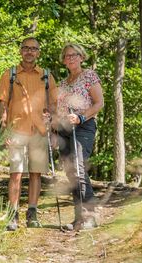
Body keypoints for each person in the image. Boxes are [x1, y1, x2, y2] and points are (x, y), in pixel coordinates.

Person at [0, 37, 56, 231]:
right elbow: (2, 103)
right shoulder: (10, 74)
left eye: (33, 49)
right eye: (26, 48)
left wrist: (50, 118)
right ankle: (13, 215)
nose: (29, 52)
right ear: (21, 51)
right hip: (17, 130)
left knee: (36, 173)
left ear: (38, 53)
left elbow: (54, 103)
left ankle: (32, 213)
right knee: (16, 174)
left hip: (39, 130)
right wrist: (4, 129)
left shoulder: (46, 76)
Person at [51, 43, 104, 231]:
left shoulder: (89, 76)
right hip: (64, 129)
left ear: (82, 57)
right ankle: (79, 218)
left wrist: (81, 117)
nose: (71, 58)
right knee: (71, 173)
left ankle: (90, 216)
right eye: (67, 56)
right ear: (64, 61)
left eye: (74, 55)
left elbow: (99, 103)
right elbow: (59, 112)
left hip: (84, 126)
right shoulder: (63, 84)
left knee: (79, 168)